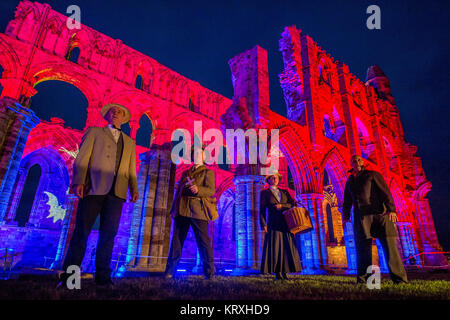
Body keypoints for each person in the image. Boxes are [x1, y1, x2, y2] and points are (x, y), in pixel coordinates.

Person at [58, 103, 139, 287]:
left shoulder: (130, 142)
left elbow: (131, 169)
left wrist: (134, 188)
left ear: (124, 118)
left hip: (117, 193)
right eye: (113, 110)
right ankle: (70, 279)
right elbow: (82, 157)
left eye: (120, 111)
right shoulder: (94, 132)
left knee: (109, 235)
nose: (116, 112)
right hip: (94, 187)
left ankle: (103, 278)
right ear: (107, 116)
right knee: (81, 232)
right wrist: (79, 180)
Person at [343, 154, 408, 285]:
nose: (356, 162)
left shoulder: (372, 174)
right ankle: (363, 279)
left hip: (379, 215)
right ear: (351, 164)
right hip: (361, 217)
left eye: (358, 160)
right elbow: (347, 200)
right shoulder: (350, 180)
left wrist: (392, 209)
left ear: (362, 163)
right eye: (353, 161)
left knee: (389, 247)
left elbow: (385, 192)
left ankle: (399, 279)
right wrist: (345, 216)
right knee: (362, 248)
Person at [164, 145, 216, 279]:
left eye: (201, 153)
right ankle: (170, 271)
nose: (198, 155)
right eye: (195, 153)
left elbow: (210, 190)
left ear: (205, 157)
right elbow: (179, 192)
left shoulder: (207, 173)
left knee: (203, 241)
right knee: (176, 241)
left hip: (198, 210)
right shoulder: (185, 173)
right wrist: (173, 209)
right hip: (182, 208)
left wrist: (199, 190)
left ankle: (209, 272)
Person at [260, 171, 302, 280]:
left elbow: (293, 204)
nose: (274, 180)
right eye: (272, 178)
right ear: (268, 180)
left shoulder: (285, 192)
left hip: (285, 223)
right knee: (276, 247)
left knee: (285, 247)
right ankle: (277, 272)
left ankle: (284, 272)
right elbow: (262, 210)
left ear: (278, 179)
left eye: (276, 178)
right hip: (273, 223)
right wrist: (263, 224)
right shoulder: (265, 193)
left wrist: (282, 206)